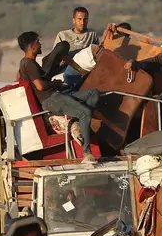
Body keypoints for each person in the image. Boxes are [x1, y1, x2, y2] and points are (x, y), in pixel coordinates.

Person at [18, 31, 101, 163]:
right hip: (51, 99)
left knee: (93, 93)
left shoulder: (28, 63)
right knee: (85, 112)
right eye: (38, 42)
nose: (40, 45)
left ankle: (81, 126)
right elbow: (40, 86)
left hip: (56, 94)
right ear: (33, 46)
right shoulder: (29, 64)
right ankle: (87, 152)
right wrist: (55, 84)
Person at [54, 6, 101, 91]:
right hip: (68, 67)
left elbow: (97, 52)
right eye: (79, 19)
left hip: (85, 67)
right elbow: (55, 55)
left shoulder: (92, 34)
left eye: (85, 19)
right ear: (74, 20)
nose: (82, 22)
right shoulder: (63, 35)